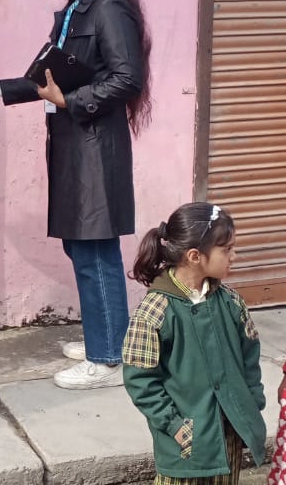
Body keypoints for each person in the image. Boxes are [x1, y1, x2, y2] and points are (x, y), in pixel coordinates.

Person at [0, 0, 152, 389]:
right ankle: (107, 338)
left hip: (96, 151)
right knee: (80, 246)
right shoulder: (74, 11)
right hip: (73, 146)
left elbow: (127, 79)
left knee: (95, 249)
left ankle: (107, 360)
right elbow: (45, 78)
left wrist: (70, 101)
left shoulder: (108, 9)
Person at [122, 202, 266, 485]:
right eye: (227, 249)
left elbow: (250, 357)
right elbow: (140, 380)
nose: (234, 256)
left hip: (229, 433)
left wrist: (252, 402)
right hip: (184, 446)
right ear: (194, 256)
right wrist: (175, 425)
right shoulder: (154, 312)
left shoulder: (231, 302)